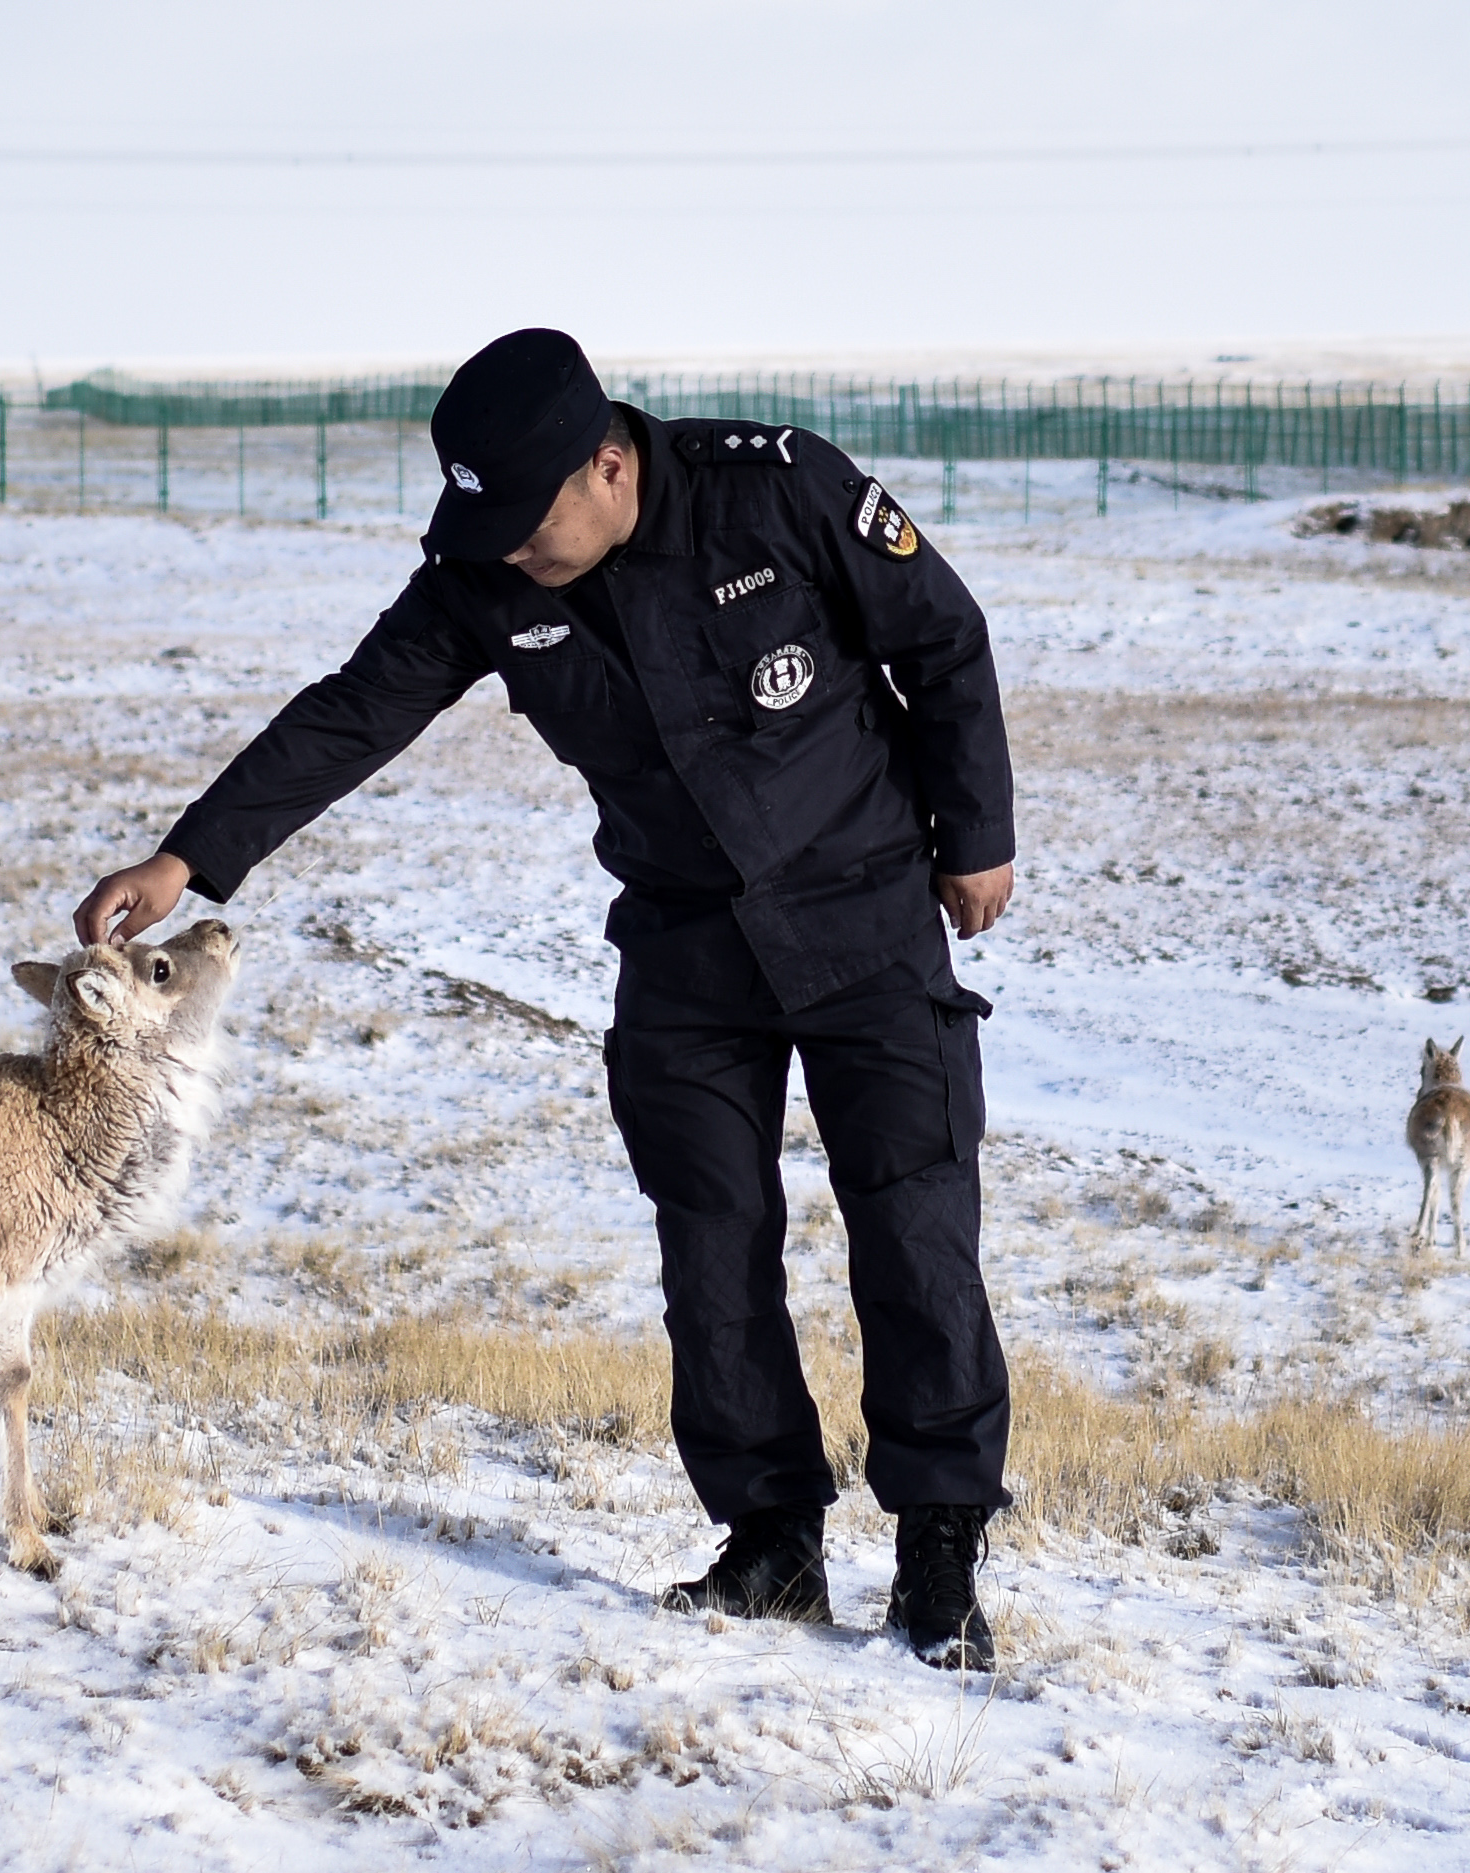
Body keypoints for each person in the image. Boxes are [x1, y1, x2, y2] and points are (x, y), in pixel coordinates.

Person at [71, 328, 1017, 1669]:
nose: (509, 552)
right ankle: (768, 1543)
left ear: (610, 465)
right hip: (687, 944)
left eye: (529, 523)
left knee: (912, 1227)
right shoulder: (481, 572)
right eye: (488, 529)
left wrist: (974, 831)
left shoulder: (776, 485)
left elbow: (942, 634)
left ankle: (936, 1555)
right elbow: (353, 711)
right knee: (710, 1243)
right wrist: (190, 853)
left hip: (861, 912)